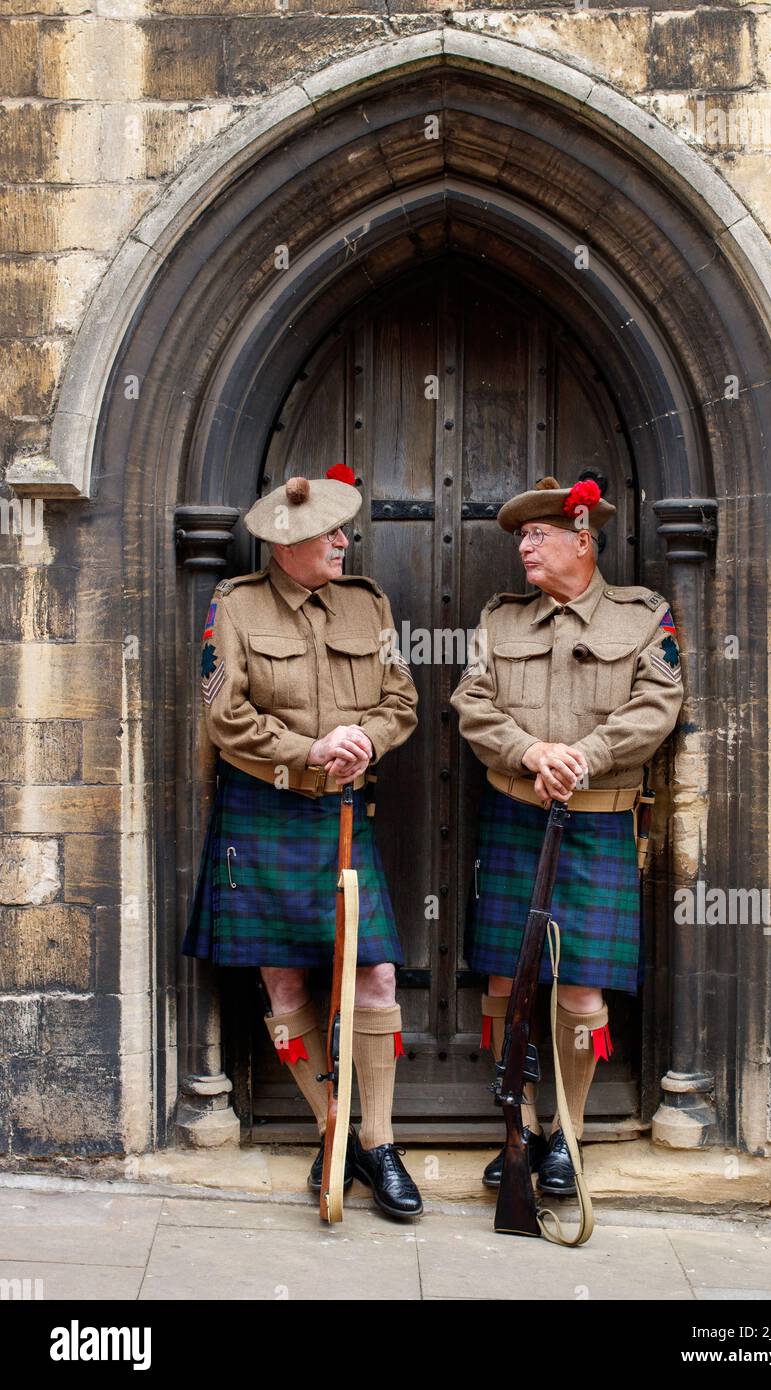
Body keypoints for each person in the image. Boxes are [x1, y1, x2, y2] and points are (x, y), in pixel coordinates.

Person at [183, 464, 423, 1218]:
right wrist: (309, 749)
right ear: (288, 543)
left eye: (343, 530)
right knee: (285, 982)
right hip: (267, 808)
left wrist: (364, 742)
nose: (343, 542)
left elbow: (402, 699)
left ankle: (379, 1144)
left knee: (375, 977)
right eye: (330, 533)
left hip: (344, 811)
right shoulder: (236, 607)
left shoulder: (368, 603)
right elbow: (224, 717)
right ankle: (333, 1129)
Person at [450, 476, 684, 1195]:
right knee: (506, 983)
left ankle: (569, 1137)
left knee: (581, 991)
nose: (524, 546)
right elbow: (471, 702)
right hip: (516, 813)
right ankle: (516, 1126)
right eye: (521, 537)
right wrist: (531, 753)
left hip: (597, 820)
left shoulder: (644, 617)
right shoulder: (500, 619)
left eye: (537, 535)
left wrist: (585, 756)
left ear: (581, 539)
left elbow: (659, 705)